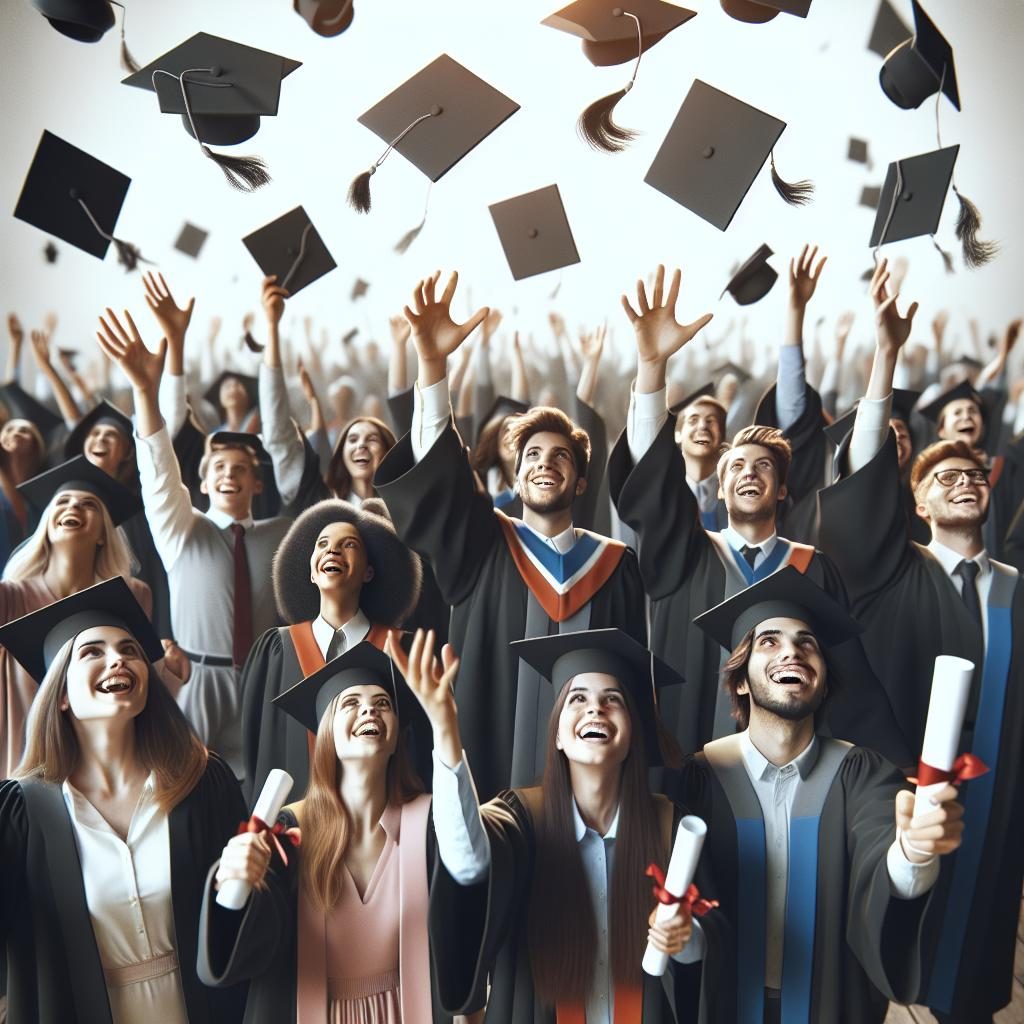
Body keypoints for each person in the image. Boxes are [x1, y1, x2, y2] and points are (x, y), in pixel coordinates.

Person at [818, 261, 1024, 1023]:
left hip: (1000, 807)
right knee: (885, 956)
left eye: (975, 476)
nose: (964, 482)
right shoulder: (885, 569)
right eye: (943, 480)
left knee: (972, 980)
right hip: (899, 796)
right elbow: (863, 478)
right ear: (913, 502)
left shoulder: (1015, 590)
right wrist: (886, 353)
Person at [608, 265, 908, 765]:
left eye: (764, 465)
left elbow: (852, 684)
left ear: (784, 488)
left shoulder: (813, 570)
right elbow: (654, 485)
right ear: (719, 491)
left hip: (793, 776)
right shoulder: (686, 556)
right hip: (690, 772)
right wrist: (651, 367)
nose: (750, 473)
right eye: (738, 467)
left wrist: (898, 771)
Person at [374, 271, 646, 800]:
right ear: (515, 479)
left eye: (561, 456)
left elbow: (635, 689)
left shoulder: (616, 566)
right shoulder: (485, 546)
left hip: (595, 788)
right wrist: (432, 367)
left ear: (581, 480)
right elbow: (443, 477)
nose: (546, 464)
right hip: (491, 778)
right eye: (533, 457)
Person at [676, 568, 964, 1023]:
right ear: (741, 682)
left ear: (824, 681)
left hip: (830, 1007)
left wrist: (914, 849)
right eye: (769, 641)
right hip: (725, 1004)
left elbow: (885, 852)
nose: (792, 650)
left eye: (807, 642)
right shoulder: (698, 780)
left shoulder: (862, 774)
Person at [0, 576, 246, 1023]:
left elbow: (250, 925)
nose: (118, 659)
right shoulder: (24, 814)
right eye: (92, 652)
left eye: (129, 650)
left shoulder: (202, 784)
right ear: (60, 697)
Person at [427, 627, 698, 1023]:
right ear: (556, 733)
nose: (595, 710)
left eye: (613, 700)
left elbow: (709, 950)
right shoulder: (522, 818)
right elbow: (465, 858)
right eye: (578, 698)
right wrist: (445, 732)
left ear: (633, 734)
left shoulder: (668, 825)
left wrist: (685, 938)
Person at [198, 635, 450, 1023]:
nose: (370, 711)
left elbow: (465, 917)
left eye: (383, 704)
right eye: (351, 703)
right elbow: (247, 941)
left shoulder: (431, 822)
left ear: (399, 733)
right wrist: (235, 878)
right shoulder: (289, 833)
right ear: (326, 732)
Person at [96, 308, 291, 782]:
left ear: (257, 483)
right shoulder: (183, 529)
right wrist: (145, 391)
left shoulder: (282, 536)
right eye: (218, 468)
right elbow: (159, 472)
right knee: (188, 786)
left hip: (263, 683)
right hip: (197, 681)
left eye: (241, 468)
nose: (229, 473)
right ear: (202, 482)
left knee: (265, 791)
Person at [241, 497, 422, 800]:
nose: (332, 550)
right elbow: (260, 759)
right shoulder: (277, 651)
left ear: (369, 571)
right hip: (300, 831)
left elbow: (420, 756)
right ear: (311, 573)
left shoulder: (403, 650)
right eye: (322, 544)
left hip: (382, 828)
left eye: (349, 544)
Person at [1, 457, 153, 776]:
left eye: (89, 504)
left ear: (103, 533)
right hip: (23, 755)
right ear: (46, 524)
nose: (74, 507)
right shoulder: (9, 597)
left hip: (101, 760)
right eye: (63, 501)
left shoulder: (134, 595)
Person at [62, 398, 177, 660]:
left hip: (131, 616)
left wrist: (163, 632)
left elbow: (155, 573)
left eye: (110, 435)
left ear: (127, 452)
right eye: (95, 434)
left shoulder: (140, 510)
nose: (100, 439)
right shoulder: (64, 505)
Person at [671, 384, 729, 532]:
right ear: (678, 434)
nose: (703, 426)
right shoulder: (664, 493)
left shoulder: (734, 492)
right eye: (693, 420)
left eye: (711, 421)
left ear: (722, 435)